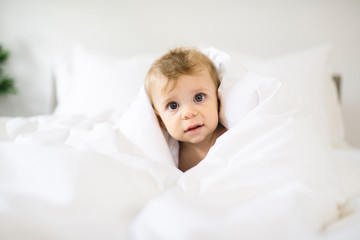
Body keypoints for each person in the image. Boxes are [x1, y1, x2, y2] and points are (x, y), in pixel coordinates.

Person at [144, 47, 227, 172]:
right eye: (173, 105)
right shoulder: (171, 159)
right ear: (161, 120)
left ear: (218, 100)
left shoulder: (230, 137)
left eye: (198, 98)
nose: (188, 113)